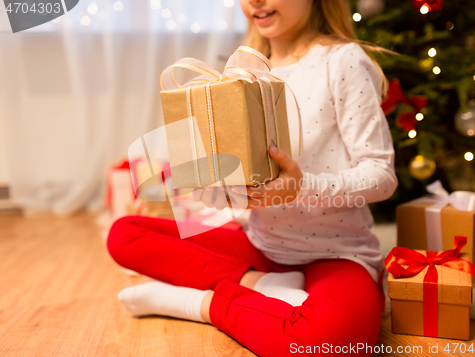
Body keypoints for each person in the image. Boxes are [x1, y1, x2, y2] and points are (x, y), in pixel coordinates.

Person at [107, 0, 398, 356]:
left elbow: (382, 176)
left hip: (336, 254)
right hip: (261, 247)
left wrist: (302, 187)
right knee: (124, 234)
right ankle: (259, 285)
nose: (254, 2)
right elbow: (241, 181)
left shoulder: (342, 60)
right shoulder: (240, 75)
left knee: (334, 342)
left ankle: (198, 304)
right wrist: (216, 189)